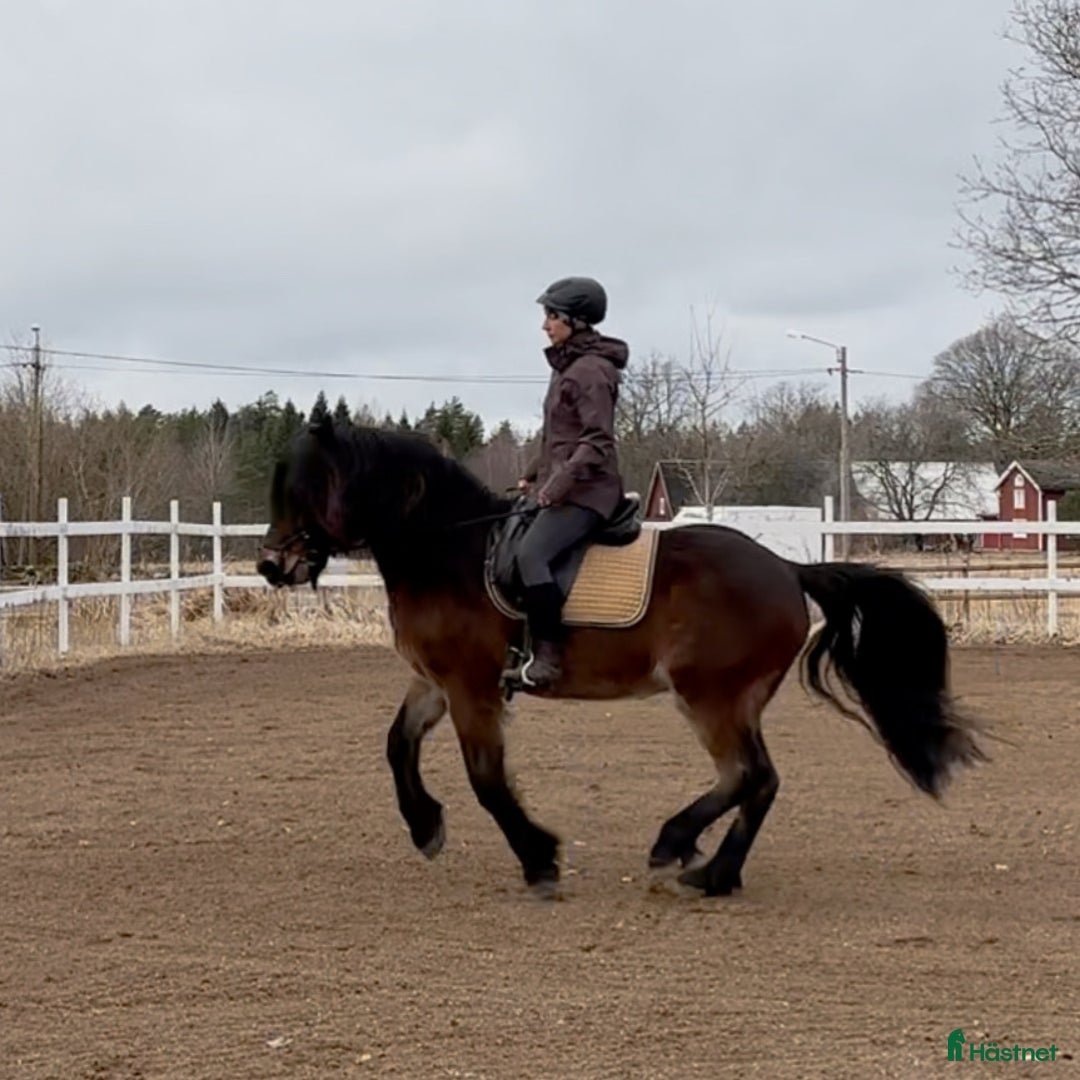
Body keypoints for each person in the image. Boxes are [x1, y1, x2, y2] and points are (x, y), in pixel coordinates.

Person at [516, 275, 629, 689]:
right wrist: (532, 474)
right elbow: (559, 438)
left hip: (589, 492)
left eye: (551, 316)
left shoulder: (591, 372)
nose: (545, 324)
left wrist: (556, 486)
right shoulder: (568, 365)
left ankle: (548, 658)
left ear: (576, 321)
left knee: (531, 556)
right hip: (565, 484)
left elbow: (596, 440)